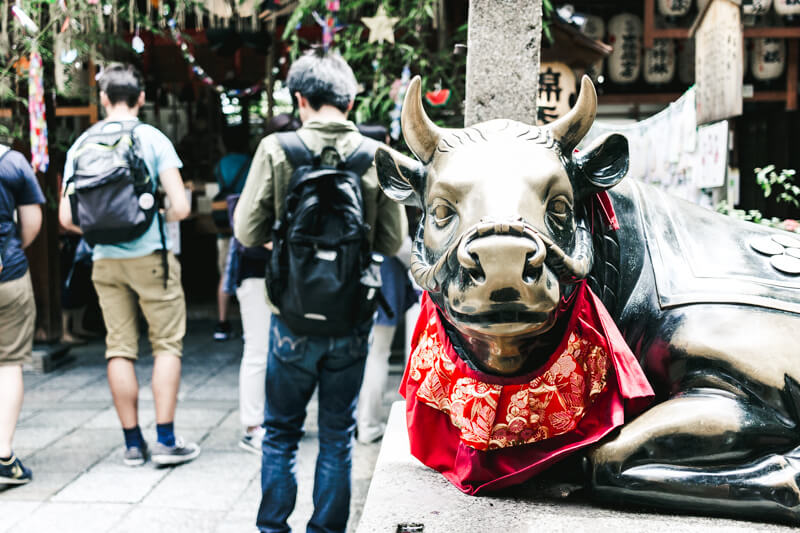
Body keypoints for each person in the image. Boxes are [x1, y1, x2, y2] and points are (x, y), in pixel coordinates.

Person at [234, 50, 406, 533]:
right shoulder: (375, 155)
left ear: (300, 99)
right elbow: (392, 241)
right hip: (351, 317)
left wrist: (288, 242)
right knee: (337, 435)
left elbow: (246, 232)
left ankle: (273, 528)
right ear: (350, 102)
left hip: (291, 317)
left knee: (281, 433)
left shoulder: (276, 148)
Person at [58, 63, 200, 468]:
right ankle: (166, 440)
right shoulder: (152, 138)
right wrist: (150, 219)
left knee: (118, 346)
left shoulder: (82, 143)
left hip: (104, 260)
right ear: (141, 98)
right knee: (166, 345)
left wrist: (104, 229)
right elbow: (182, 206)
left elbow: (67, 218)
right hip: (152, 257)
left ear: (102, 99)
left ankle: (132, 445)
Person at [232, 114, 299, 454]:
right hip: (261, 271)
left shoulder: (264, 167)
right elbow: (246, 231)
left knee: (266, 350)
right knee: (262, 349)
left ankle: (262, 422)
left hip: (268, 272)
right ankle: (254, 424)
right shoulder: (266, 170)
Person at [0, 145, 44, 486]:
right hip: (7, 277)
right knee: (8, 363)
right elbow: (31, 224)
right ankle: (2, 456)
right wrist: (12, 248)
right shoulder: (12, 162)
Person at [213, 126, 252, 342]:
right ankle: (248, 325)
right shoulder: (250, 162)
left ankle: (222, 322)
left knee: (224, 275)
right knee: (247, 274)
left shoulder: (220, 165)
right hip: (245, 222)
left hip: (224, 227)